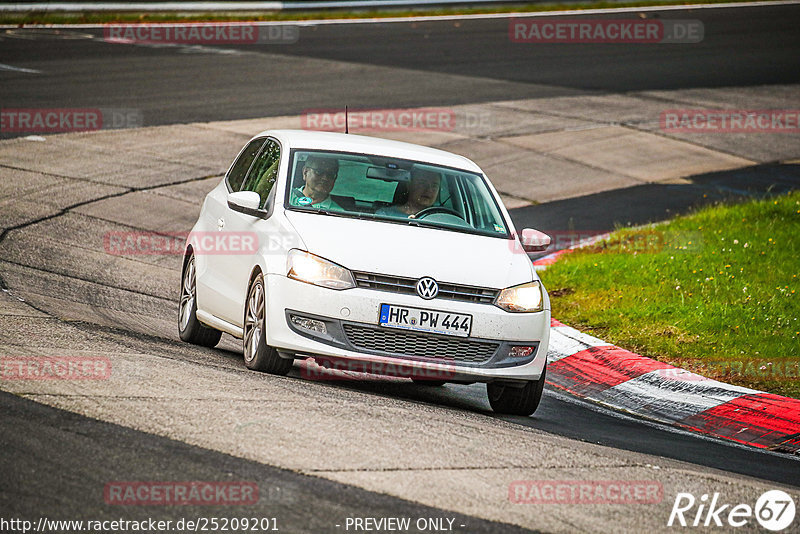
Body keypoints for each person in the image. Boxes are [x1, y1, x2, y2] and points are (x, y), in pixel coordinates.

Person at [377, 167, 441, 218]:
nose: (429, 190)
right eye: (422, 183)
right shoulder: (385, 214)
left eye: (434, 186)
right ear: (409, 185)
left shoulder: (441, 219)